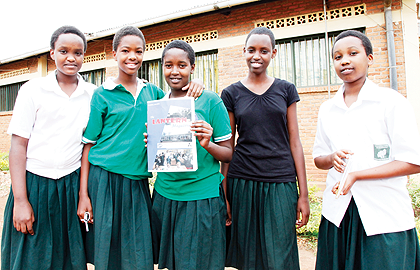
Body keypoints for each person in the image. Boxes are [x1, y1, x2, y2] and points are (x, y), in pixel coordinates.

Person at [77, 26, 203, 270]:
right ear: (114, 54)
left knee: (139, 251)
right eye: (125, 50)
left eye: (138, 51)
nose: (132, 56)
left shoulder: (153, 93)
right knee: (108, 251)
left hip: (137, 183)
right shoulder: (102, 94)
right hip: (105, 181)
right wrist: (84, 195)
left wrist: (196, 82)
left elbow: (179, 97)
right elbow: (88, 146)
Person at [313, 29, 420, 269]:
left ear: (369, 58)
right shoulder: (327, 109)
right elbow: (318, 159)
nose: (345, 60)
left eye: (353, 53)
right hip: (338, 215)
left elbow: (414, 161)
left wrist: (357, 175)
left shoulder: (391, 102)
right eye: (338, 56)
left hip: (384, 217)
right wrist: (331, 157)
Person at [2, 26, 96, 269]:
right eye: (63, 51)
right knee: (31, 258)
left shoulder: (92, 94)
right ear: (52, 53)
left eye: (78, 52)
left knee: (69, 258)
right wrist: (21, 200)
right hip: (35, 185)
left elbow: (89, 145)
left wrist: (82, 194)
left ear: (84, 55)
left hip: (70, 186)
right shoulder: (33, 90)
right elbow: (18, 146)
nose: (71, 58)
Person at [220, 27, 310, 270]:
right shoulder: (231, 93)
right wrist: (225, 194)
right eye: (251, 50)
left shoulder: (286, 89)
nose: (256, 56)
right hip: (243, 180)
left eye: (263, 50)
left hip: (281, 181)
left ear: (274, 53)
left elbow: (295, 141)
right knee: (247, 254)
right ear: (244, 52)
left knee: (279, 253)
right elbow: (228, 145)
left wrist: (303, 194)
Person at [150, 40, 232, 270]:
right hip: (165, 196)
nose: (175, 71)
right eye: (168, 65)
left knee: (200, 263)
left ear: (192, 68)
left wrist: (207, 144)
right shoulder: (157, 104)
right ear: (162, 68)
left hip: (201, 197)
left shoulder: (211, 101)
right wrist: (151, 143)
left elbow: (227, 154)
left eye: (182, 65)